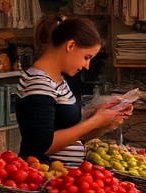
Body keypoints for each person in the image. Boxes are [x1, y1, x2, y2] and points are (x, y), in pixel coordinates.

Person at [17, 14, 132, 167]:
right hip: (44, 176)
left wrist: (102, 121)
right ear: (70, 46)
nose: (87, 66)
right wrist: (94, 121)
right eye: (87, 57)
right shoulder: (38, 83)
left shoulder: (57, 80)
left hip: (65, 177)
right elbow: (43, 144)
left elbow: (70, 134)